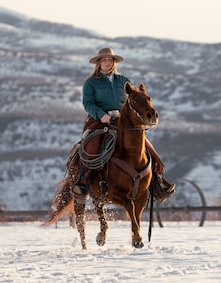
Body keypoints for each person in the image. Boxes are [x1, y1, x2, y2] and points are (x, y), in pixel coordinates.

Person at [73, 47, 174, 202]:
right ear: (99, 63)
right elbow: (88, 103)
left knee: (147, 149)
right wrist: (102, 115)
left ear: (114, 62)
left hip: (123, 121)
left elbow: (132, 101)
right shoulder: (91, 82)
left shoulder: (123, 80)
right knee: (92, 147)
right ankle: (83, 181)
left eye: (110, 59)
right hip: (99, 120)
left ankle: (156, 182)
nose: (107, 62)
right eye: (104, 60)